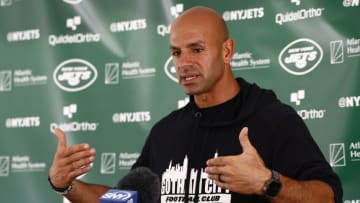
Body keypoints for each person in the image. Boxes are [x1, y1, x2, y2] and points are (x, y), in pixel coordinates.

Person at [48, 6, 343, 203]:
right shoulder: (166, 131)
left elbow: (328, 196)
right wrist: (67, 185)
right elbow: (126, 200)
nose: (184, 63)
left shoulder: (273, 119)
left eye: (197, 50)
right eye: (176, 53)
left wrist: (267, 182)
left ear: (227, 51)